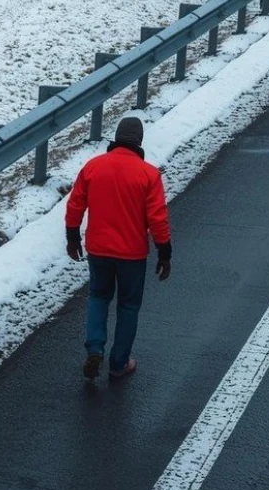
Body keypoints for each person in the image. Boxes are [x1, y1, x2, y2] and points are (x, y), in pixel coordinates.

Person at [65, 116, 172, 379]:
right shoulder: (148, 174)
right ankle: (119, 363)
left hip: (98, 249)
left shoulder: (93, 167)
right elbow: (157, 218)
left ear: (117, 137)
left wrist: (72, 237)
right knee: (128, 306)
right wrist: (164, 252)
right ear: (139, 141)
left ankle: (95, 348)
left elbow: (76, 203)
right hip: (132, 254)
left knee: (98, 297)